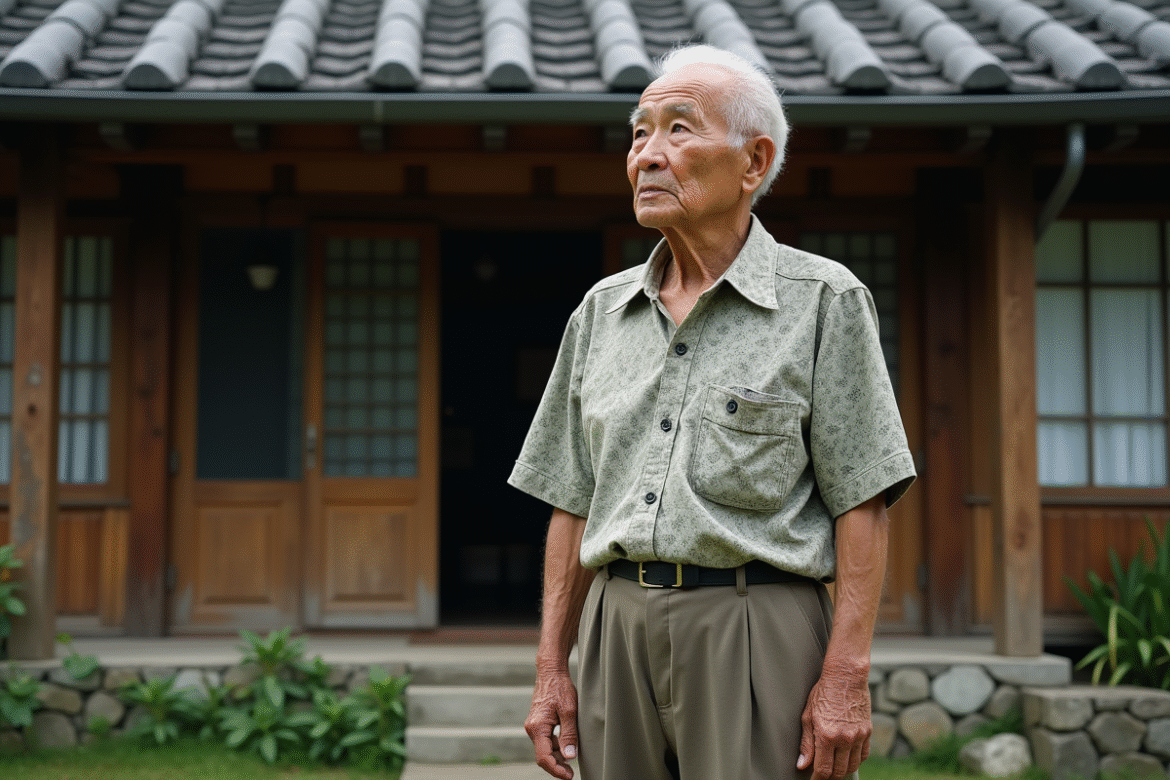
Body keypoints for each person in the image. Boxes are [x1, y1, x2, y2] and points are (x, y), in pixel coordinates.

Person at [508, 43, 916, 780]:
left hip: (756, 624)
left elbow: (864, 499)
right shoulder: (601, 313)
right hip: (614, 626)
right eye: (638, 133)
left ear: (753, 163)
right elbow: (569, 501)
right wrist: (551, 669)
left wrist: (846, 678)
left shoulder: (824, 301)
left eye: (678, 129)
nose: (647, 156)